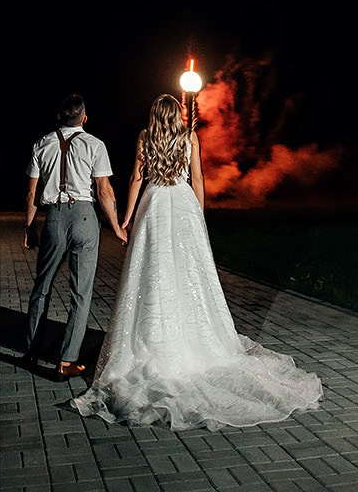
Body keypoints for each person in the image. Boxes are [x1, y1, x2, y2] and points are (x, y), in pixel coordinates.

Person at [71, 93, 323, 430]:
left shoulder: (146, 136)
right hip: (183, 202)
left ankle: (155, 336)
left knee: (154, 272)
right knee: (188, 273)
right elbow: (199, 178)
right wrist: (198, 215)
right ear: (176, 114)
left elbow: (135, 177)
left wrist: (127, 218)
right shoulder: (190, 136)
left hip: (155, 203)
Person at [20, 93, 127, 380]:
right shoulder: (95, 144)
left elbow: (32, 192)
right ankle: (67, 360)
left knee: (42, 286)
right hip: (84, 217)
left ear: (59, 116)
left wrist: (29, 227)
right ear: (84, 118)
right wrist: (116, 227)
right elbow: (104, 191)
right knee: (80, 292)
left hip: (54, 217)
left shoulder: (41, 144)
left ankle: (31, 350)